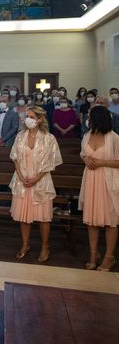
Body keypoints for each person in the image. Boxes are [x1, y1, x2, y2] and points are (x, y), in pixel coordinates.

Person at [9, 106, 62, 263]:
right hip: (22, 180)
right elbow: (15, 158)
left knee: (43, 217)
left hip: (41, 181)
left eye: (31, 116)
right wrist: (21, 175)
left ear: (39, 119)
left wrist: (35, 178)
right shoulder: (20, 136)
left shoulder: (48, 138)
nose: (28, 119)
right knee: (24, 216)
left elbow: (51, 162)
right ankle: (25, 245)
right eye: (27, 116)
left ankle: (45, 246)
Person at [79, 106, 119, 272]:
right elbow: (83, 154)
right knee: (92, 219)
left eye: (90, 116)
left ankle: (109, 257)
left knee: (110, 219)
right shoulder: (87, 135)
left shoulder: (114, 137)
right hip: (91, 180)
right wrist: (86, 159)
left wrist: (102, 162)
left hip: (107, 180)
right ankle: (93, 254)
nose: (87, 119)